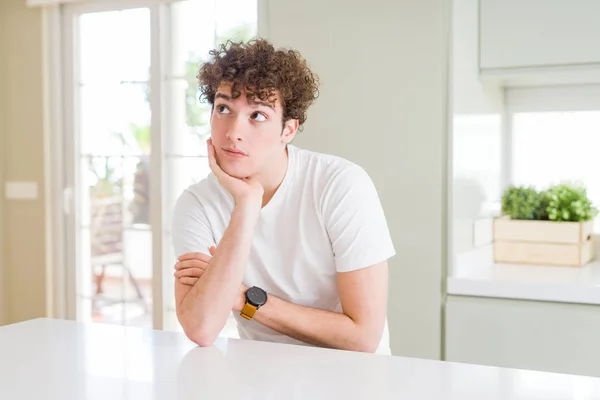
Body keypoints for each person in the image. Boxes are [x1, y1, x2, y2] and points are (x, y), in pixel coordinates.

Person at [172, 39, 395, 354]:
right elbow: (201, 327)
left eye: (258, 115)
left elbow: (363, 337)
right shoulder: (196, 204)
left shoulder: (341, 185)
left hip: (352, 377)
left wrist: (244, 298)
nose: (233, 131)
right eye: (223, 108)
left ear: (288, 130)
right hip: (258, 374)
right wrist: (247, 205)